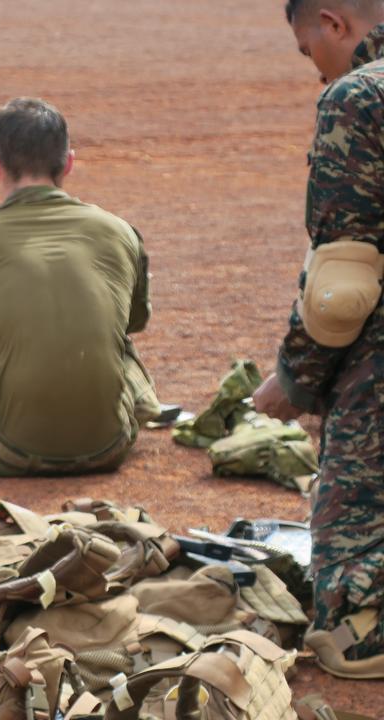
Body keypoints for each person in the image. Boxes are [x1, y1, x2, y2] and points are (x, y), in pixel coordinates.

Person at [0, 98, 160, 477]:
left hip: (6, 449)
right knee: (117, 347)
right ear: (68, 162)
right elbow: (134, 321)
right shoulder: (121, 233)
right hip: (111, 444)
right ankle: (139, 406)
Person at [252, 0, 384, 680]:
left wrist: (294, 379)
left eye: (310, 51)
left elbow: (343, 287)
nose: (316, 71)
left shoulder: (359, 98)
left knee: (358, 512)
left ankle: (366, 624)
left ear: (333, 22)